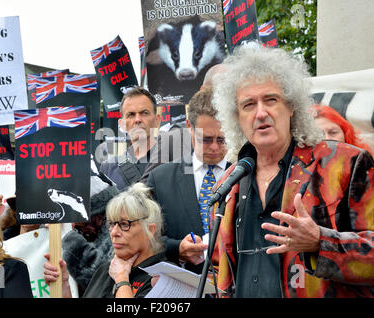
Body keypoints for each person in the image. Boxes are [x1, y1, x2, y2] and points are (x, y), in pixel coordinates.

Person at [211, 44, 374, 297]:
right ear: (237, 117)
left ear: (291, 106)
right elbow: (221, 267)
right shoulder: (228, 182)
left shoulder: (345, 163)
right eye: (248, 104)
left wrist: (320, 242)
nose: (261, 112)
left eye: (271, 100)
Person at [146, 86, 230, 273]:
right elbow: (145, 236)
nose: (215, 147)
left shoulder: (247, 174)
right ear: (189, 126)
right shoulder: (161, 180)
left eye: (222, 139)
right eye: (206, 139)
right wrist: (178, 248)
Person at [43, 182, 165, 298]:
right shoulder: (105, 270)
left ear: (150, 230)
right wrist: (64, 286)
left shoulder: (163, 277)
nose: (114, 232)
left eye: (124, 224)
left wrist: (122, 280)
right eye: (112, 224)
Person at [100, 87, 161, 190]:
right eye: (131, 115)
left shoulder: (173, 159)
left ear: (157, 120)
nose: (137, 119)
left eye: (144, 113)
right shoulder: (108, 168)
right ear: (122, 124)